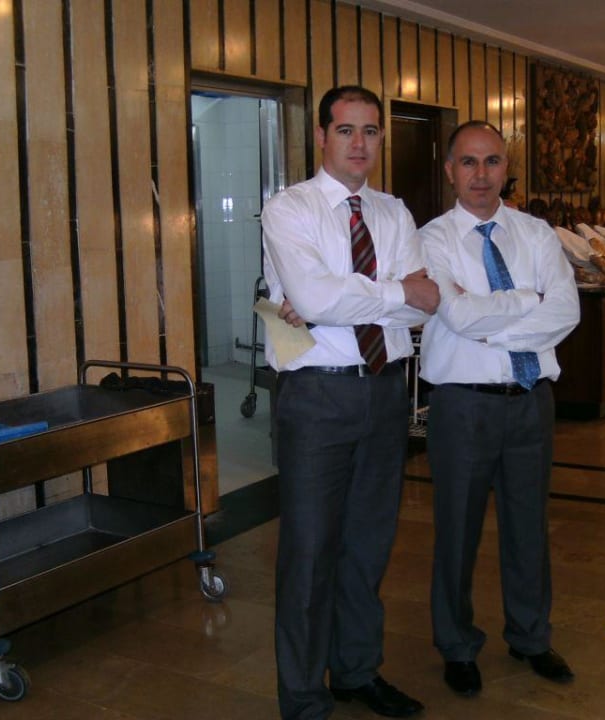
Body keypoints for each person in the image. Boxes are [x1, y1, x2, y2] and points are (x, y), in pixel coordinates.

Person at [261, 85, 439, 720]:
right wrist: (394, 291)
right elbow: (318, 300)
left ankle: (357, 672)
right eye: (345, 130)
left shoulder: (394, 212)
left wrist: (351, 296)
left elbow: (424, 305)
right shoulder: (290, 209)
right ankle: (304, 699)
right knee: (310, 555)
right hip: (317, 397)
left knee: (367, 547)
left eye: (370, 131)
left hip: (386, 390)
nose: (360, 143)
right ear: (321, 136)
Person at [418, 120, 581, 698]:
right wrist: (528, 301)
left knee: (528, 528)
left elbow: (566, 311)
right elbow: (458, 316)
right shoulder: (431, 240)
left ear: (507, 168)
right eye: (468, 162)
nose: (481, 174)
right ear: (450, 171)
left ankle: (530, 636)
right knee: (456, 533)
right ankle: (456, 645)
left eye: (491, 161)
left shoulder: (536, 234)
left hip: (531, 402)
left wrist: (494, 325)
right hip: (463, 407)